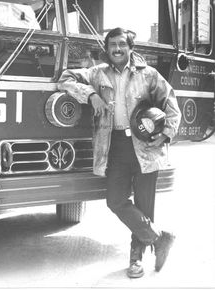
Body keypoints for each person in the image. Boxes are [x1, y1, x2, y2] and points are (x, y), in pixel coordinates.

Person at [57, 27, 181, 278]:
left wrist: (166, 134)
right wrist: (90, 94)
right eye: (112, 44)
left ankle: (136, 260)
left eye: (122, 44)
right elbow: (66, 78)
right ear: (107, 49)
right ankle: (159, 238)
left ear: (131, 47)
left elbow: (171, 103)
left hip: (146, 147)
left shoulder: (149, 75)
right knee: (115, 200)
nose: (117, 49)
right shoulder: (97, 73)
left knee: (145, 207)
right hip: (115, 147)